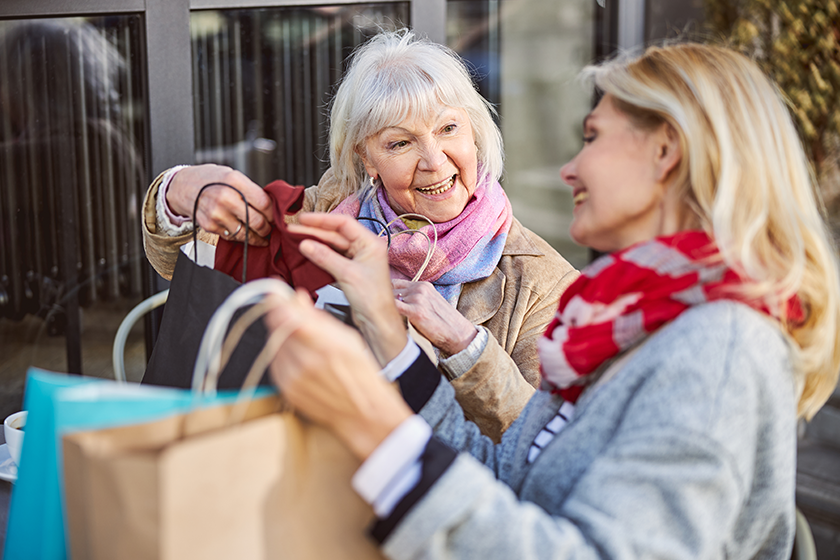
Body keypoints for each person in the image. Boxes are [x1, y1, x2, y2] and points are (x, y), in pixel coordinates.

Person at [262, 42, 840, 558]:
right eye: (401, 142)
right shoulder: (625, 317)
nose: (569, 168)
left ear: (665, 153)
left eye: (592, 137)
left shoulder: (716, 349)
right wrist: (387, 335)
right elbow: (510, 471)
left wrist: (375, 427)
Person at [142, 29, 578, 440]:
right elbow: (177, 261)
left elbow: (545, 443)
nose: (434, 161)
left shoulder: (542, 282)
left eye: (448, 129)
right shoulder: (324, 212)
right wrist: (179, 191)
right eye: (400, 143)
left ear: (475, 131)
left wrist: (465, 346)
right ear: (365, 158)